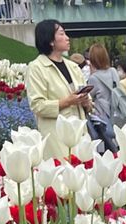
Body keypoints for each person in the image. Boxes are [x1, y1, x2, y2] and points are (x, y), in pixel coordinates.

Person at [25, 20, 90, 155]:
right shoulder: (37, 67)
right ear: (50, 41)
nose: (67, 38)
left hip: (79, 132)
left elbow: (88, 103)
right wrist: (67, 101)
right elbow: (37, 105)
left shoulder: (73, 67)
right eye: (62, 34)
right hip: (56, 136)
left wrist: (86, 102)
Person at [86, 44, 123, 152]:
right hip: (115, 111)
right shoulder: (113, 71)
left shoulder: (94, 78)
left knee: (105, 147)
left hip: (102, 116)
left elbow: (88, 97)